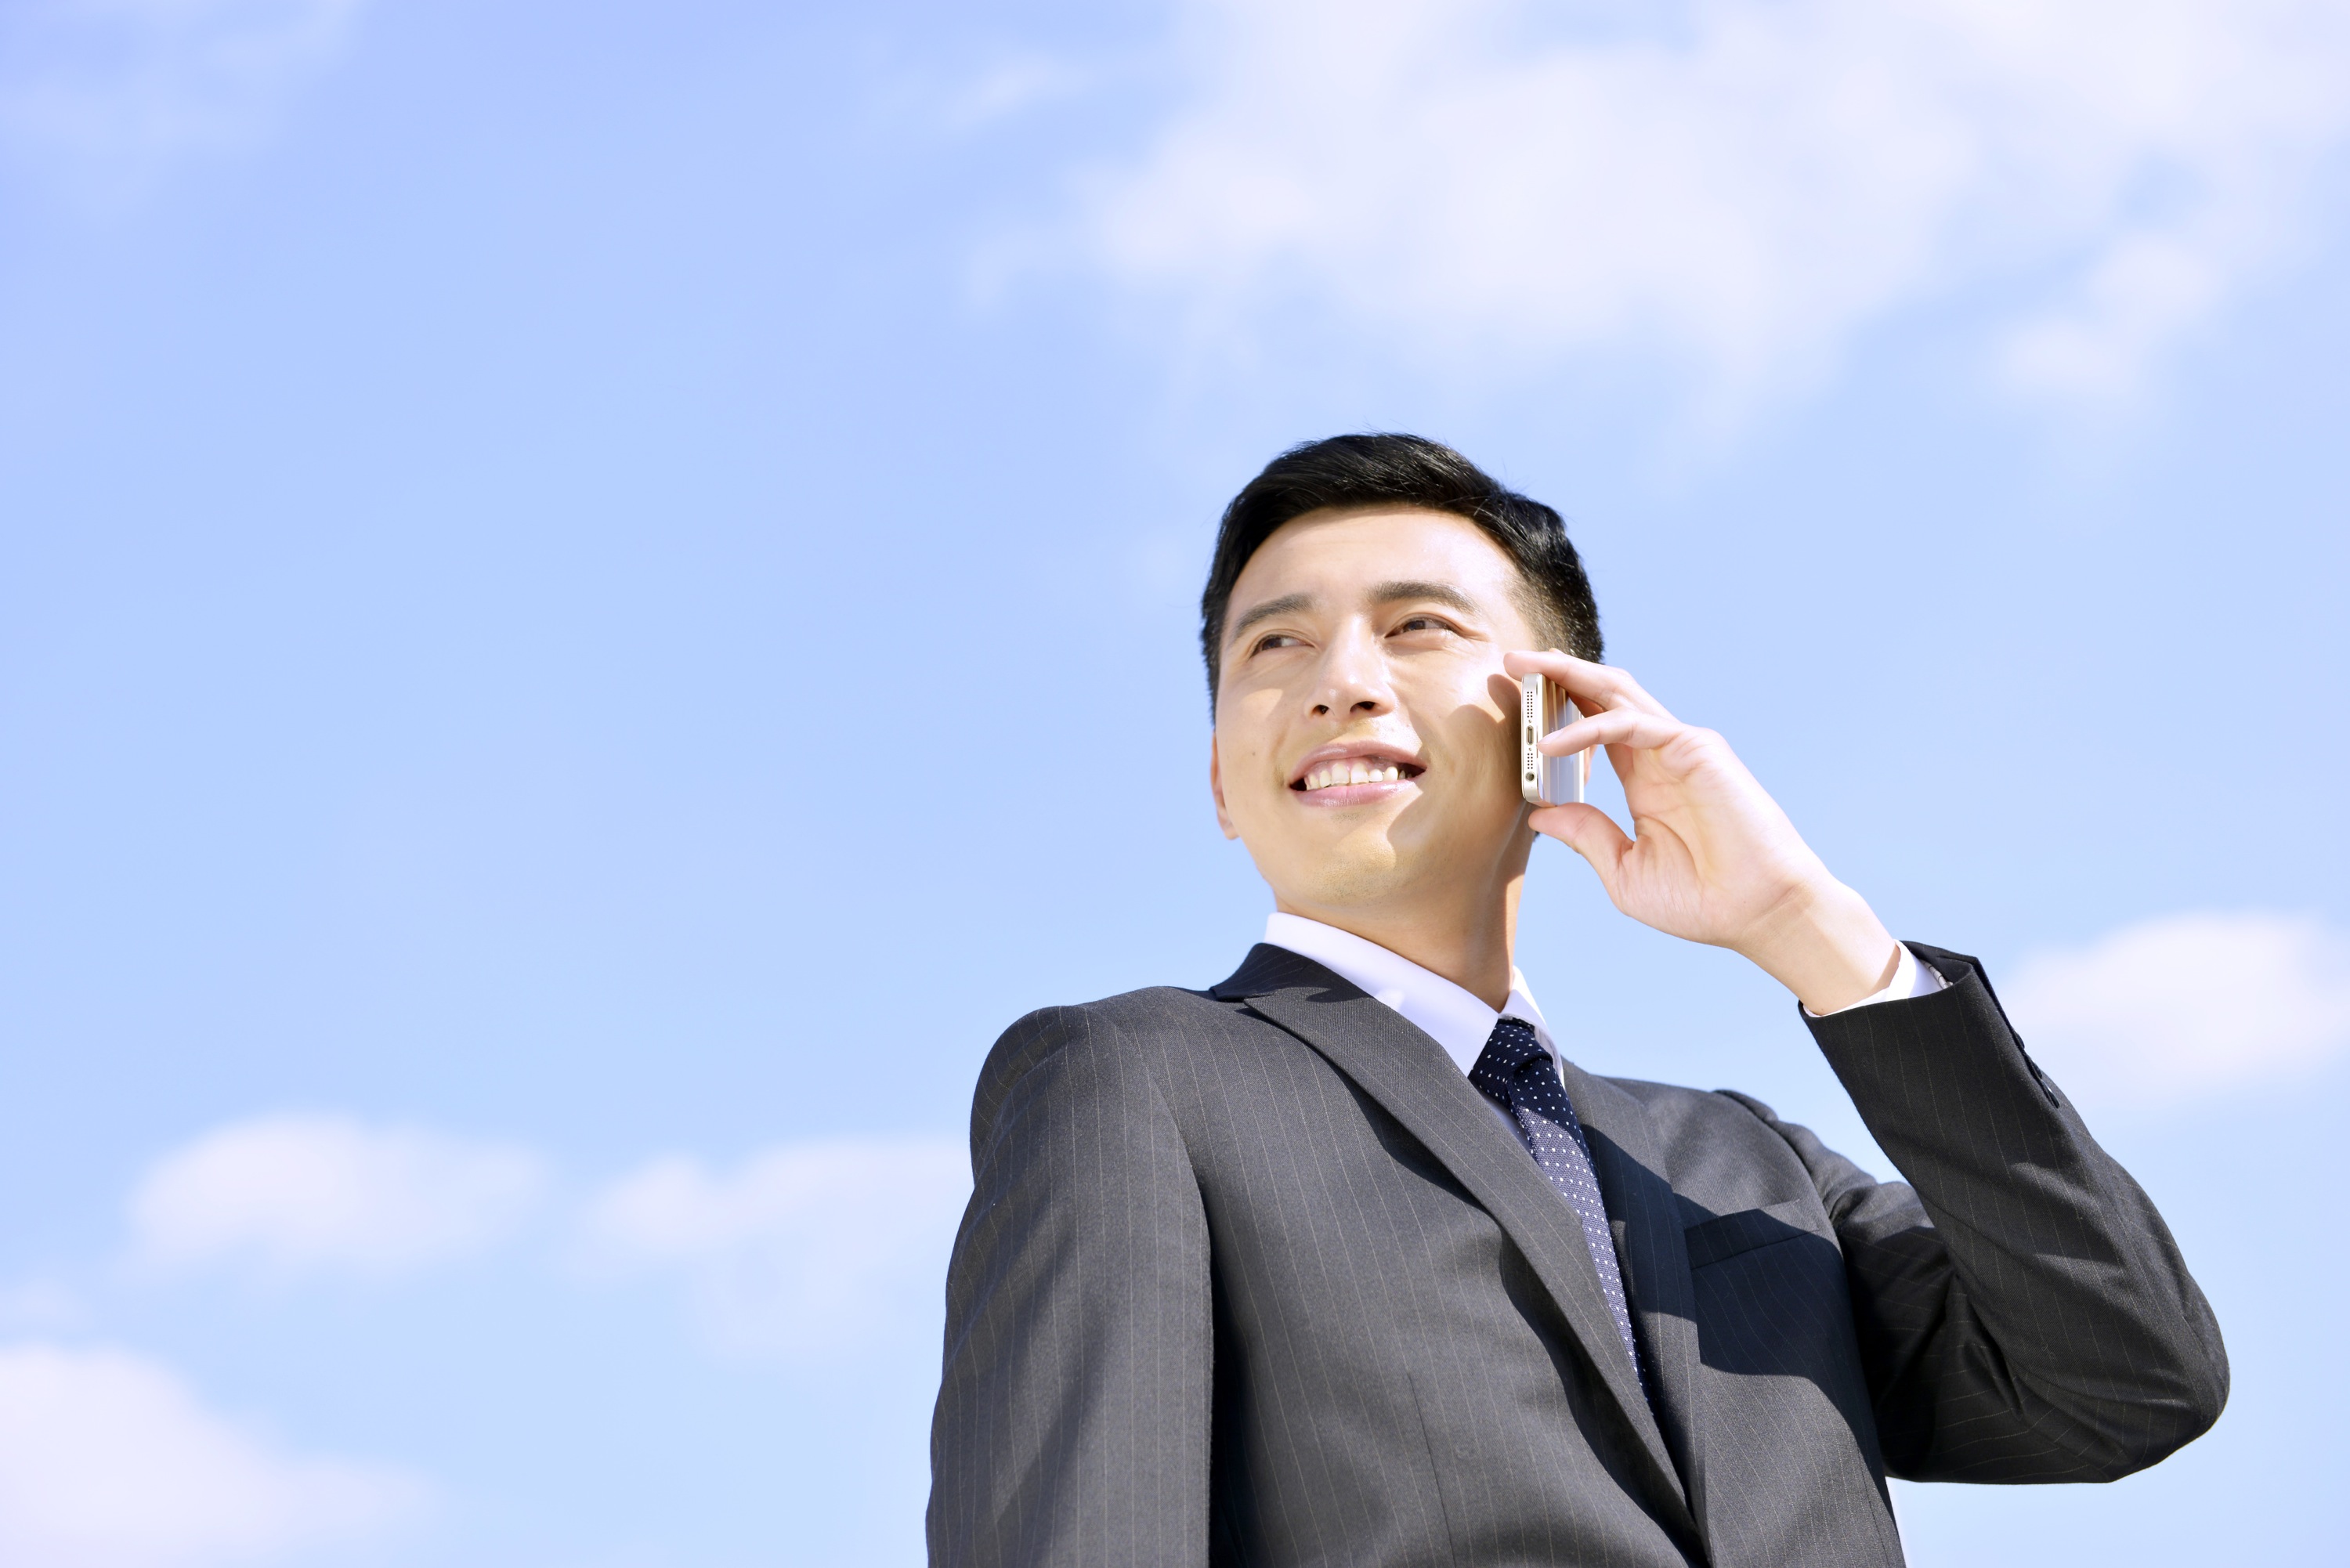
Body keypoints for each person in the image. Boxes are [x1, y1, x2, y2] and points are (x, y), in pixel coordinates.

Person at [926, 434, 2225, 1568]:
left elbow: (2128, 1378)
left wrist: (1814, 933)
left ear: (1558, 718)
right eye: (1275, 643)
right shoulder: (1132, 1079)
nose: (1339, 680)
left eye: (1417, 626)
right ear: (1222, 774)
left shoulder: (1746, 1160)